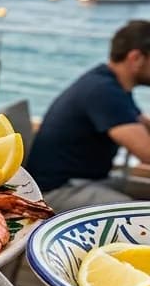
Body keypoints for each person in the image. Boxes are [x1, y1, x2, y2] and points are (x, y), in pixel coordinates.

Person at [26, 21, 150, 211]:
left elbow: (142, 123)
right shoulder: (104, 91)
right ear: (136, 58)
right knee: (141, 218)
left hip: (88, 180)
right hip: (58, 191)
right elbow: (147, 152)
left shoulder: (111, 83)